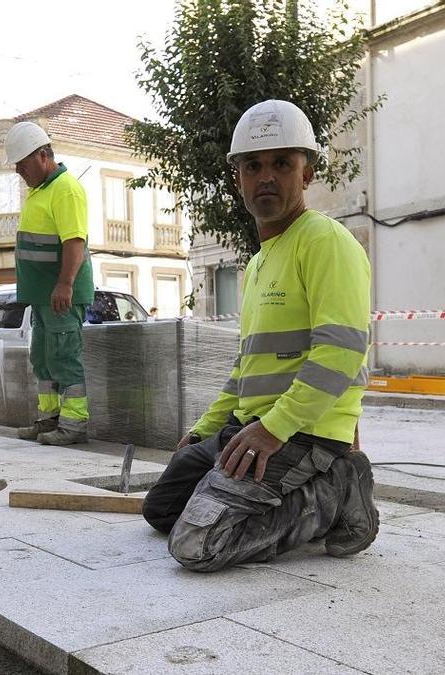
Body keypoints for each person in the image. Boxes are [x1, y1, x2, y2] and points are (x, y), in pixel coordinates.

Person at [142, 100, 379, 572]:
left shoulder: (326, 242)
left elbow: (342, 352)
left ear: (307, 174)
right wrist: (204, 432)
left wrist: (273, 430)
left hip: (302, 433)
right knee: (161, 509)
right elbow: (246, 370)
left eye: (282, 164)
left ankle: (337, 490)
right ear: (238, 179)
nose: (266, 176)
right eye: (253, 166)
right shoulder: (257, 263)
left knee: (197, 543)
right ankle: (260, 490)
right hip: (251, 427)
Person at [4, 121, 95, 446]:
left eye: (22, 164)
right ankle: (49, 420)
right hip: (44, 296)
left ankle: (74, 425)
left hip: (60, 295)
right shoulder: (40, 191)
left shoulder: (65, 188)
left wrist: (65, 284)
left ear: (42, 156)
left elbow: (74, 242)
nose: (18, 171)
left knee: (63, 357)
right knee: (43, 358)